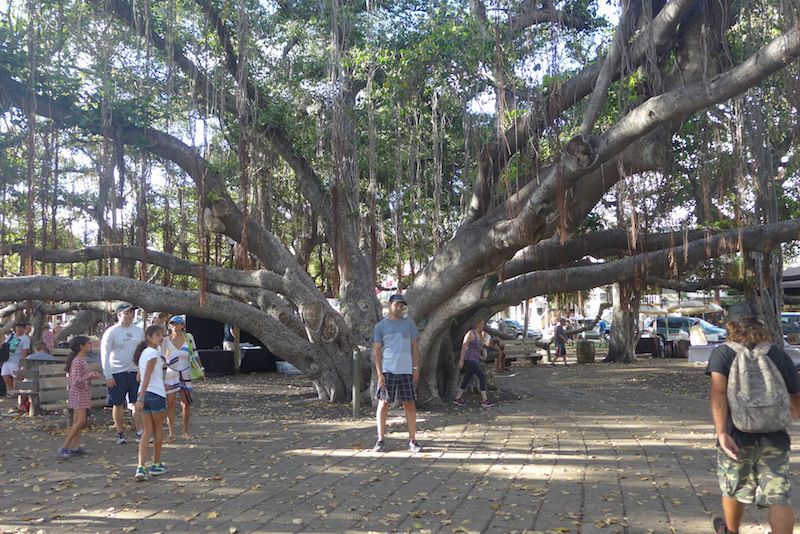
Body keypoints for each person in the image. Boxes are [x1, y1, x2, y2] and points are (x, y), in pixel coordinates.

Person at [707, 303, 800, 534]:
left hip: (736, 435)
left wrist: (721, 432)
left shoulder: (723, 353)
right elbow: (796, 393)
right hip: (774, 437)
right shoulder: (777, 354)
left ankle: (731, 530)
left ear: (730, 326)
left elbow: (719, 392)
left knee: (734, 487)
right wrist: (794, 410)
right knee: (778, 494)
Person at [371, 293, 422, 453]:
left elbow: (414, 347)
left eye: (402, 305)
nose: (399, 307)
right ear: (389, 305)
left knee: (409, 404)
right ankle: (380, 439)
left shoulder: (409, 324)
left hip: (406, 370)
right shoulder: (380, 327)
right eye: (397, 304)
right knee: (384, 404)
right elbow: (377, 352)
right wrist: (379, 374)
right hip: (388, 370)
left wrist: (415, 368)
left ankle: (413, 440)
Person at [100, 303, 145, 445]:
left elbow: (143, 352)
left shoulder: (139, 331)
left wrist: (140, 370)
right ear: (119, 315)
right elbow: (105, 354)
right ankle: (120, 433)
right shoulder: (112, 332)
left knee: (136, 403)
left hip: (134, 372)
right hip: (117, 372)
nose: (130, 315)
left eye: (131, 313)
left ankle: (140, 432)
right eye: (126, 313)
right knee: (118, 404)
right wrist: (108, 375)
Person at [133, 325, 168, 481]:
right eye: (157, 335)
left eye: (162, 334)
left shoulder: (143, 354)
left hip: (145, 394)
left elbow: (139, 378)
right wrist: (140, 398)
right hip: (155, 394)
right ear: (149, 337)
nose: (161, 337)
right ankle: (155, 463)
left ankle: (141, 467)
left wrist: (141, 396)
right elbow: (146, 376)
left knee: (147, 431)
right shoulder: (154, 353)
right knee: (158, 429)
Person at [58, 336, 101, 458]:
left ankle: (74, 447)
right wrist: (91, 375)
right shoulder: (78, 361)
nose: (90, 345)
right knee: (81, 421)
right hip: (79, 394)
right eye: (88, 343)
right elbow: (76, 380)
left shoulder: (80, 360)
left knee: (77, 421)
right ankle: (65, 446)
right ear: (82, 346)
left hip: (81, 393)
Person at [162, 315, 197, 441]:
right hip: (171, 373)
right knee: (170, 403)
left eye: (177, 323)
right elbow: (161, 356)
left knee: (186, 403)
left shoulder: (189, 337)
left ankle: (185, 431)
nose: (174, 326)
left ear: (183, 325)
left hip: (186, 372)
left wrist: (201, 369)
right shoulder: (166, 340)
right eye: (172, 324)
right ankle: (171, 433)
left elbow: (195, 353)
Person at [453, 319, 495, 407]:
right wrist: (461, 360)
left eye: (483, 324)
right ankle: (485, 400)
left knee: (467, 378)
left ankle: (457, 398)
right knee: (482, 377)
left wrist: (483, 353)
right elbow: (464, 346)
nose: (482, 326)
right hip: (469, 359)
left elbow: (479, 347)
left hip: (475, 359)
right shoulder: (470, 334)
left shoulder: (479, 335)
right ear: (476, 324)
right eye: (481, 324)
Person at [2, 321, 31, 409]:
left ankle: (16, 393)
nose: (19, 329)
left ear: (24, 328)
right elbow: (5, 344)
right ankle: (12, 389)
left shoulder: (25, 338)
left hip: (16, 360)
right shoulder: (12, 336)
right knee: (4, 374)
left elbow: (25, 351)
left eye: (21, 327)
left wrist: (22, 363)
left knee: (16, 377)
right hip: (7, 359)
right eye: (18, 327)